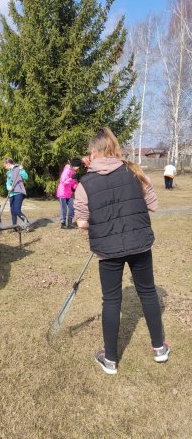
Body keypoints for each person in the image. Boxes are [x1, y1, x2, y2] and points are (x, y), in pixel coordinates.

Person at [74, 127, 170, 374]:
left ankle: (111, 359)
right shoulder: (133, 172)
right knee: (148, 293)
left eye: (89, 153)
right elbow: (154, 205)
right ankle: (159, 348)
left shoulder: (85, 183)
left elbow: (82, 223)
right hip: (138, 244)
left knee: (111, 300)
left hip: (109, 249)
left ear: (94, 152)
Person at [2, 158, 31, 230]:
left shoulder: (18, 168)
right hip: (11, 193)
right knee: (13, 211)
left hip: (19, 191)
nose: (5, 168)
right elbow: (7, 183)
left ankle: (27, 224)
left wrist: (22, 170)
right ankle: (14, 227)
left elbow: (26, 177)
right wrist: (9, 187)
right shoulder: (8, 173)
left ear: (8, 164)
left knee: (17, 210)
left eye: (5, 166)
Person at [56, 158, 81, 229]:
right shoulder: (67, 170)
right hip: (62, 192)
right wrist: (71, 178)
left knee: (72, 207)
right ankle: (63, 223)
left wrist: (78, 187)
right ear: (74, 165)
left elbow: (73, 184)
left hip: (68, 193)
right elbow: (63, 182)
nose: (78, 168)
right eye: (78, 166)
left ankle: (70, 223)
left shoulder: (74, 172)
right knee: (63, 208)